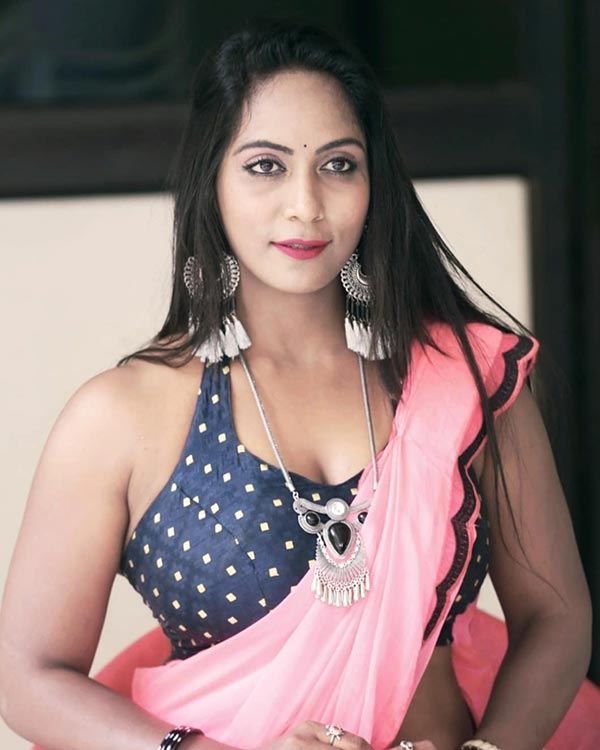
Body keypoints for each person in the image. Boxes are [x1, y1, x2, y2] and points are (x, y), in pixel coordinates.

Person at [0, 16, 598, 750]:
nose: (306, 205)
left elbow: (556, 618)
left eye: (339, 165)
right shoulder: (121, 417)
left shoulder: (465, 378)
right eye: (265, 166)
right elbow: (27, 676)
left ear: (374, 181)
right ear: (211, 182)